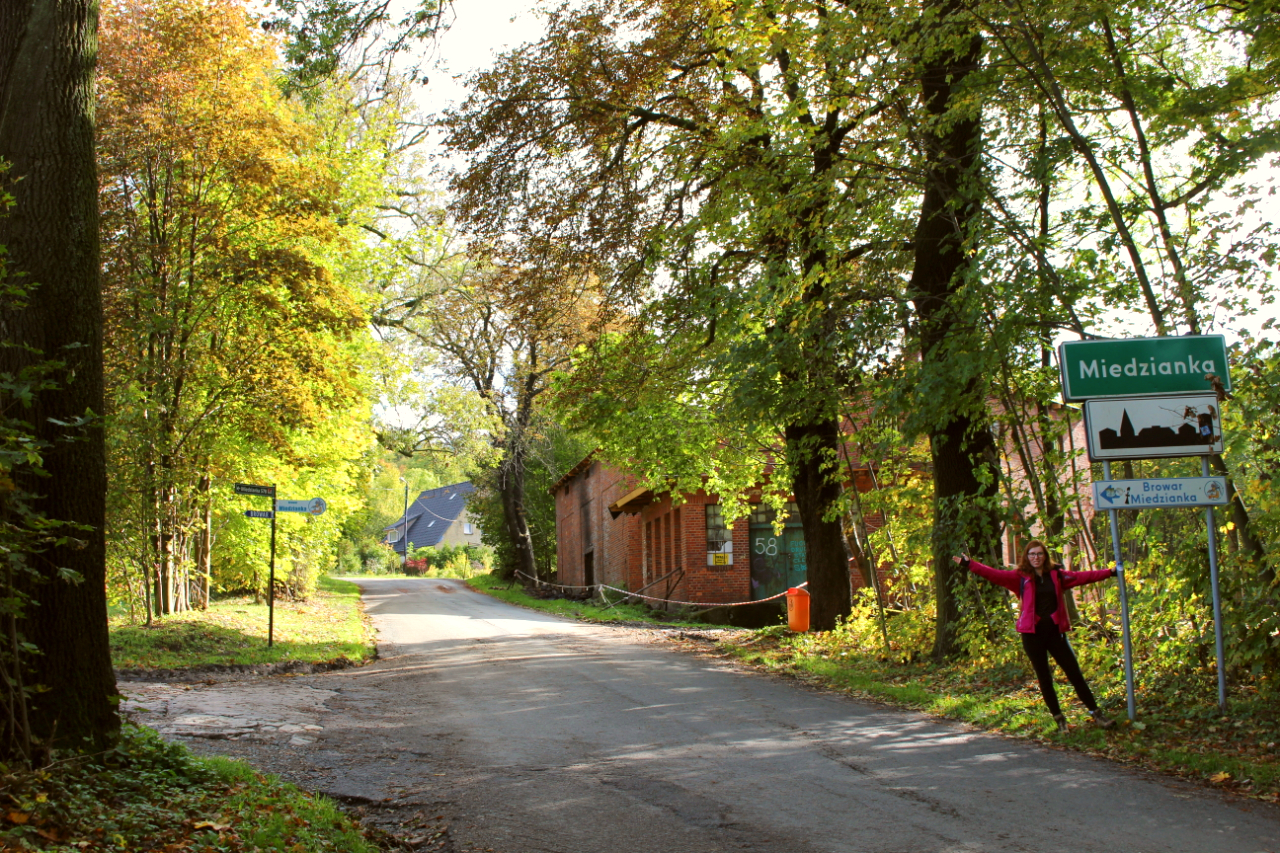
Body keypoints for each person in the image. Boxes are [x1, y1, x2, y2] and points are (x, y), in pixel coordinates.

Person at [953, 540, 1116, 732]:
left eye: (1039, 554)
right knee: (1044, 678)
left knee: (1074, 673)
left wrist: (1110, 572)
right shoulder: (1020, 577)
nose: (1036, 558)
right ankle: (1060, 720)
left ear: (1045, 556)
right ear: (1027, 557)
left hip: (1056, 634)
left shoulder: (1057, 575)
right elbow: (994, 575)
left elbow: (1083, 577)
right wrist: (969, 564)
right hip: (1032, 635)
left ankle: (1097, 715)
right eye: (1032, 554)